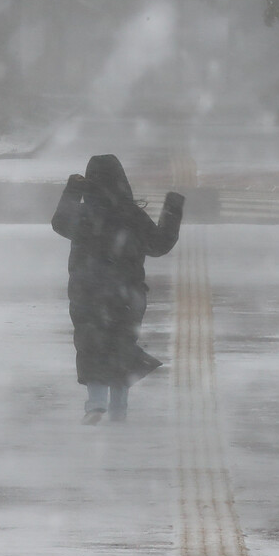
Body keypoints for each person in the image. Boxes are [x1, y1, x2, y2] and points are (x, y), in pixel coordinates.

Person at [51, 154, 184, 424]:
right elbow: (159, 244)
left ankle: (96, 403)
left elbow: (60, 222)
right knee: (121, 346)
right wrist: (172, 208)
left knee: (90, 345)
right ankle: (118, 409)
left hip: (87, 292)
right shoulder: (132, 215)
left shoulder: (84, 216)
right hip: (127, 294)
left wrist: (73, 189)